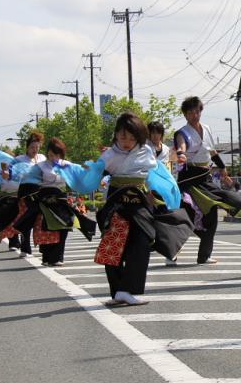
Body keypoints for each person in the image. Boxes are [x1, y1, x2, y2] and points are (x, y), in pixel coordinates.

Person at [71, 113, 194, 306]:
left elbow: (155, 176)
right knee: (112, 244)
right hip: (117, 202)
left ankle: (127, 289)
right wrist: (82, 174)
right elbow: (94, 175)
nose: (127, 142)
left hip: (139, 202)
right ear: (116, 135)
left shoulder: (145, 151)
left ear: (138, 136)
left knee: (142, 241)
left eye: (131, 137)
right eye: (122, 137)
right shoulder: (110, 155)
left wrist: (161, 195)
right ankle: (118, 291)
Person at [174, 96, 241, 266]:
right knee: (187, 215)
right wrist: (181, 154)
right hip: (189, 178)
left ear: (201, 112)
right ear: (185, 115)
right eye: (190, 112)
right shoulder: (182, 132)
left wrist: (223, 170)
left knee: (212, 215)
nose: (194, 115)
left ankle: (204, 255)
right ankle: (172, 252)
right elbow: (180, 145)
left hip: (205, 178)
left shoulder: (206, 129)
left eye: (197, 111)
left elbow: (212, 152)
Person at [14, 138, 96, 266]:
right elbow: (25, 176)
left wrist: (89, 169)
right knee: (46, 227)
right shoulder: (40, 167)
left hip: (60, 199)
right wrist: (12, 173)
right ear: (48, 154)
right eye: (51, 155)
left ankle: (59, 257)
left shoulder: (66, 165)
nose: (54, 158)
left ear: (61, 154)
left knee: (66, 225)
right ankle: (47, 257)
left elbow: (79, 172)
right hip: (45, 199)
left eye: (57, 155)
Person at [0, 132, 46, 254]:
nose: (35, 150)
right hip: (25, 194)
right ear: (27, 147)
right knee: (26, 220)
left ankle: (45, 248)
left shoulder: (42, 158)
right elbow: (6, 172)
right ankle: (24, 247)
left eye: (37, 147)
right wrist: (5, 174)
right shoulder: (19, 160)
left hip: (40, 193)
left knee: (42, 221)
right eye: (32, 147)